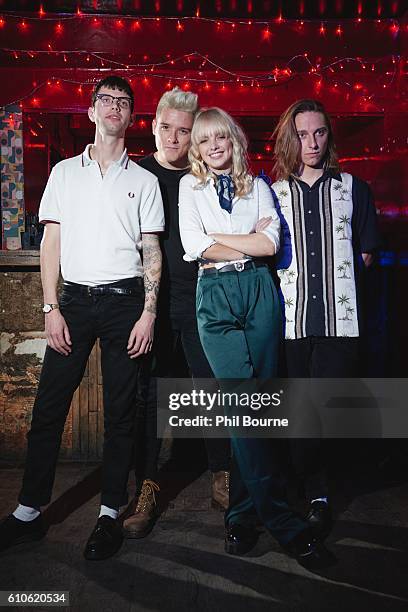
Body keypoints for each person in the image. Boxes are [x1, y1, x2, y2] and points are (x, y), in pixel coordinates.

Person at [0, 76, 164, 560]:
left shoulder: (145, 181)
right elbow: (51, 243)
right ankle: (29, 512)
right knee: (48, 409)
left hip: (125, 304)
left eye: (124, 102)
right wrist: (50, 307)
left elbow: (151, 251)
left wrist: (149, 312)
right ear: (91, 111)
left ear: (131, 117)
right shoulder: (64, 173)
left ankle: (110, 514)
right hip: (72, 302)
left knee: (120, 416)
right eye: (106, 100)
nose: (115, 107)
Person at [178, 107, 334, 569]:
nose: (214, 146)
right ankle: (286, 525)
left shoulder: (261, 186)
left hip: (260, 293)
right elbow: (194, 246)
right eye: (204, 141)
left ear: (234, 139)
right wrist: (242, 236)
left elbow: (271, 247)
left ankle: (242, 516)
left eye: (220, 136)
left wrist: (221, 236)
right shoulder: (191, 187)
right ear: (198, 149)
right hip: (216, 295)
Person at [123, 88, 230, 539]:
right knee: (148, 397)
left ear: (194, 135)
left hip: (200, 299)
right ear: (152, 127)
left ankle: (223, 474)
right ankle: (145, 488)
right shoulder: (137, 174)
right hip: (148, 306)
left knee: (211, 390)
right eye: (166, 127)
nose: (173, 137)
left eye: (184, 131)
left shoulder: (204, 177)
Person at [272, 99, 381, 536]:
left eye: (319, 133)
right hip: (290, 323)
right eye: (302, 134)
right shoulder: (273, 193)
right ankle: (305, 490)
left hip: (341, 324)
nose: (312, 143)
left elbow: (367, 254)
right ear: (290, 138)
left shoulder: (355, 189)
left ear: (328, 136)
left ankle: (317, 490)